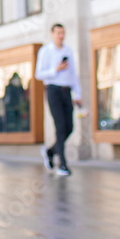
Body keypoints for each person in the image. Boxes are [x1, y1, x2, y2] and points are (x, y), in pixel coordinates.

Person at [34, 23, 82, 176]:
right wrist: (55, 69)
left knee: (70, 127)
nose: (61, 36)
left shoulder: (68, 50)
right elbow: (38, 74)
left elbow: (73, 74)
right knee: (60, 126)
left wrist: (78, 94)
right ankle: (62, 165)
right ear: (52, 34)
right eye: (58, 33)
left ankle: (50, 151)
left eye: (63, 33)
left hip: (66, 91)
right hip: (53, 90)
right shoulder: (45, 51)